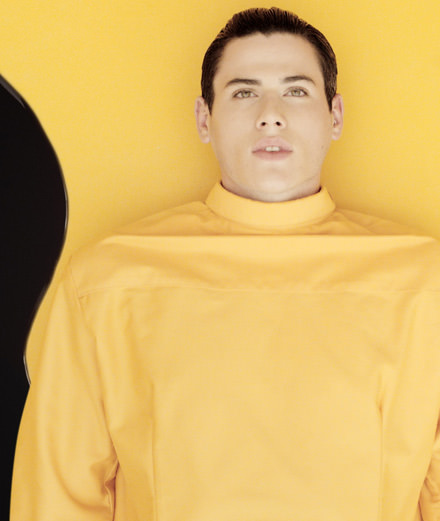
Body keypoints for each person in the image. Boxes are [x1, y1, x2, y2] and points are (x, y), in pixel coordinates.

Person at [10, 7, 440, 521]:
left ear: (336, 116)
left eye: (296, 91)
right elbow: (56, 496)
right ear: (203, 119)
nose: (270, 114)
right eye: (243, 92)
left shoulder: (424, 280)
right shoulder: (107, 280)